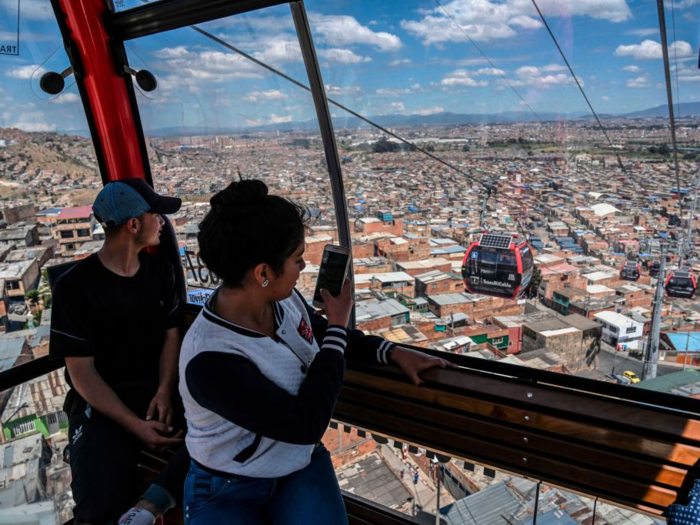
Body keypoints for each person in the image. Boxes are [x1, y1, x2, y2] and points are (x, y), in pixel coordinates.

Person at [179, 179, 451, 524]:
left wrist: (389, 351)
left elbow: (317, 336)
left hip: (296, 462)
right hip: (228, 485)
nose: (303, 268)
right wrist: (339, 325)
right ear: (263, 272)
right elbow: (304, 422)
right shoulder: (211, 358)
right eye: (296, 259)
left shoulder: (284, 302)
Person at [49, 178, 189, 525]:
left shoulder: (161, 272)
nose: (163, 222)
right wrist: (134, 426)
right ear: (134, 225)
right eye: (156, 215)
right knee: (97, 511)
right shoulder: (75, 287)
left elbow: (171, 336)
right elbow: (83, 374)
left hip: (155, 394)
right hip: (102, 405)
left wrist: (164, 391)